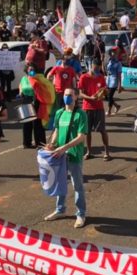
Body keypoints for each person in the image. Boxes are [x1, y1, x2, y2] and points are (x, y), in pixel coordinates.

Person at [44, 88, 88, 228]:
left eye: (70, 95)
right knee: (61, 183)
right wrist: (52, 144)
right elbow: (56, 131)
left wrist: (64, 147)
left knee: (77, 185)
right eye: (65, 95)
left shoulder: (81, 114)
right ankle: (60, 210)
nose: (67, 97)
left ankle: (81, 214)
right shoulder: (59, 113)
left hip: (74, 155)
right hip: (59, 155)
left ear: (76, 97)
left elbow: (81, 137)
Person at [79, 59, 112, 160]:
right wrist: (90, 98)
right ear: (91, 65)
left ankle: (107, 153)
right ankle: (89, 152)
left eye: (98, 68)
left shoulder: (101, 77)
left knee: (102, 131)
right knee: (87, 132)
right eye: (95, 68)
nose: (97, 70)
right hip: (87, 108)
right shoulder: (84, 77)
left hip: (99, 108)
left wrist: (105, 92)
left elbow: (105, 91)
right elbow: (80, 93)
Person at [105, 50, 123, 115]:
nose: (112, 55)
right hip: (108, 79)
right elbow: (105, 69)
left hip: (114, 80)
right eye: (111, 54)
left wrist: (119, 85)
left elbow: (119, 74)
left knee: (110, 96)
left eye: (114, 54)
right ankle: (117, 106)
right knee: (107, 96)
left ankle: (109, 111)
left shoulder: (118, 63)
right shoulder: (108, 61)